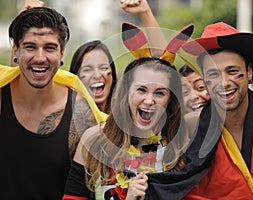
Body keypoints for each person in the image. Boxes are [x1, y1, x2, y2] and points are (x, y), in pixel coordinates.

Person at [146, 22, 253, 199]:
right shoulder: (190, 125)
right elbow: (173, 184)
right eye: (213, 74)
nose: (224, 82)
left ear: (249, 72)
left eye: (232, 71)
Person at [63, 22, 194, 200]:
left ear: (170, 99)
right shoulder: (93, 140)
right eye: (141, 90)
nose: (149, 100)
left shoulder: (181, 145)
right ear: (126, 91)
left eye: (160, 93)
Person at [0, 7, 107, 200]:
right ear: (16, 50)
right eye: (30, 47)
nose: (40, 58)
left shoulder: (81, 113)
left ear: (62, 52)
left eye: (49, 48)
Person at [69, 40, 117, 113]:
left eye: (103, 68)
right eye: (87, 70)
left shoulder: (124, 117)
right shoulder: (65, 119)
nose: (97, 76)